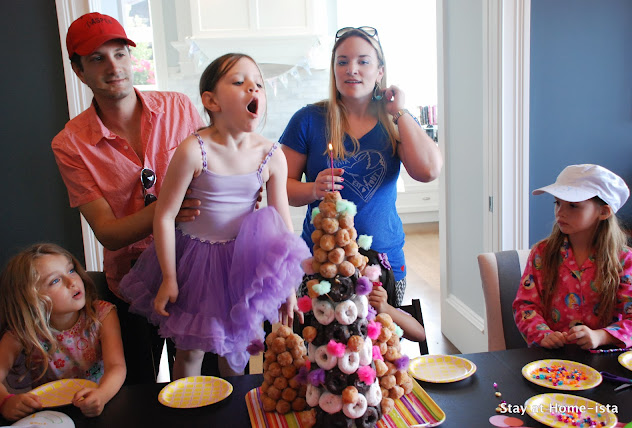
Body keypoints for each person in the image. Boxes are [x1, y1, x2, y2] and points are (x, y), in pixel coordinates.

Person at [119, 53, 311, 379]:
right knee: (191, 351)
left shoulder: (271, 154)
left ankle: (235, 412)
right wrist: (169, 277)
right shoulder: (194, 150)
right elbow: (164, 216)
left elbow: (281, 225)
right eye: (239, 82)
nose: (253, 89)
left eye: (259, 85)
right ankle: (186, 413)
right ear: (212, 100)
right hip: (196, 262)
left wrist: (288, 287)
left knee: (236, 350)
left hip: (242, 263)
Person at [51, 12, 205, 383]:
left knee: (207, 385)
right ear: (79, 71)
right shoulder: (70, 144)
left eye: (120, 53)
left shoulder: (178, 107)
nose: (113, 66)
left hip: (197, 269)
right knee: (139, 392)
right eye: (97, 58)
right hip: (132, 283)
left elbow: (215, 171)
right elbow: (108, 232)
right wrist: (170, 208)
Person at [280, 26, 442, 307]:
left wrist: (400, 112)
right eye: (342, 61)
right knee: (321, 348)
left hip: (383, 261)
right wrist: (312, 189)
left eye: (363, 61)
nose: (351, 69)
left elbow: (428, 171)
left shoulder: (394, 121)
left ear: (380, 71)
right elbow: (281, 188)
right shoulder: (308, 120)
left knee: (381, 347)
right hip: (321, 261)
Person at [0, 244, 126, 421]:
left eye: (71, 271)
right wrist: (5, 403)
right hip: (49, 416)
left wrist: (101, 394)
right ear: (30, 299)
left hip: (99, 406)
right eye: (55, 280)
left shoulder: (102, 315)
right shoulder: (23, 332)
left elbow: (116, 366)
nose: (72, 282)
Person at [513, 164, 632, 350]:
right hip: (552, 359)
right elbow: (525, 306)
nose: (560, 212)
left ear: (603, 212)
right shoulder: (542, 253)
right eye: (557, 203)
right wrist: (544, 335)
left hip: (605, 360)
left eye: (573, 206)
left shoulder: (625, 260)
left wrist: (601, 336)